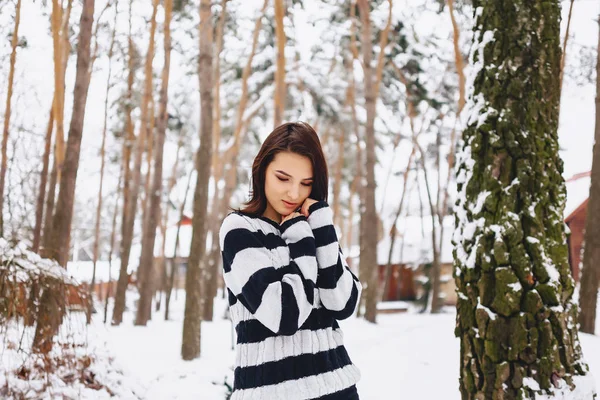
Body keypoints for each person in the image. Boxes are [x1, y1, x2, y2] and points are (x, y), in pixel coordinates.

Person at [219, 122, 362, 400]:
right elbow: (285, 316)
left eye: (306, 184)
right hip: (271, 393)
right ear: (261, 172)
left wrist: (321, 226)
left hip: (338, 388)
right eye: (283, 178)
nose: (294, 193)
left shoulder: (314, 228)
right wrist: (299, 239)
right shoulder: (240, 229)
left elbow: (342, 303)